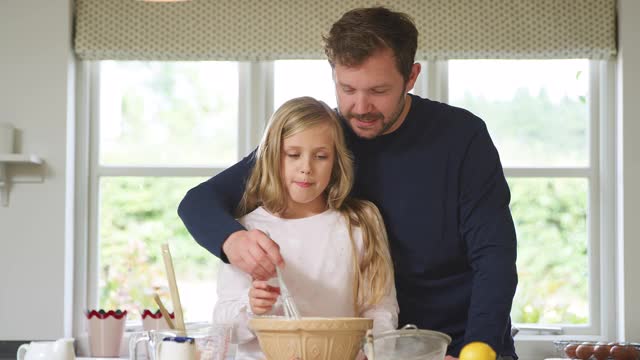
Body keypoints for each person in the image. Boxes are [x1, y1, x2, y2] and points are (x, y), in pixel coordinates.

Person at [179, 6, 518, 359]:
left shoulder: (461, 137)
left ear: (411, 76)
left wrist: (480, 346)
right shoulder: (322, 140)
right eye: (347, 88)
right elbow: (199, 202)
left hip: (454, 341)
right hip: (360, 350)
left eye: (378, 90)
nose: (360, 106)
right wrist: (232, 240)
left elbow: (494, 256)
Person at [211, 96, 398, 359]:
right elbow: (223, 326)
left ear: (336, 162)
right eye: (293, 155)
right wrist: (252, 308)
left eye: (321, 156)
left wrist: (371, 352)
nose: (306, 168)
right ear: (273, 156)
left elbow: (380, 308)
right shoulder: (246, 230)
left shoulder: (360, 223)